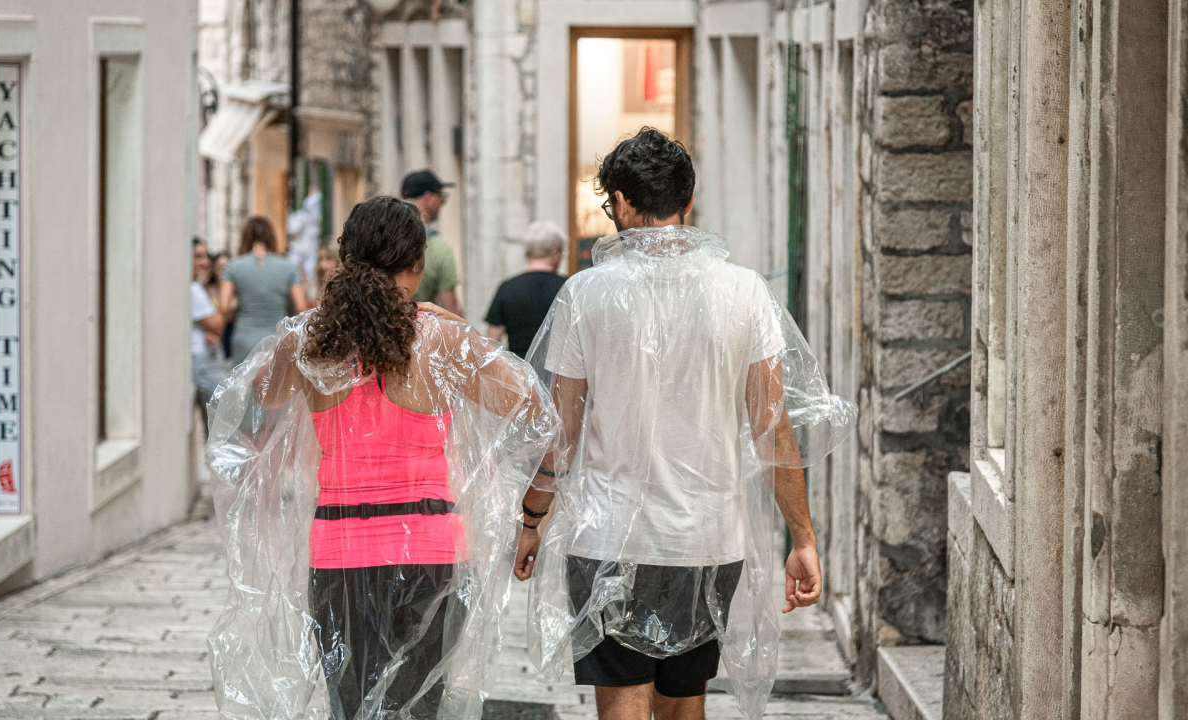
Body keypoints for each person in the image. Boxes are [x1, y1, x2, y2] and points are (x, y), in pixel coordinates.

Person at [514, 128, 855, 720]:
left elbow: (562, 434)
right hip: (706, 539)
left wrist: (531, 519)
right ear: (687, 203)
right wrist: (802, 538)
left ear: (621, 203)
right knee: (684, 705)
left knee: (621, 704)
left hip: (608, 539)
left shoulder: (585, 294)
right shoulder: (744, 291)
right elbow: (773, 429)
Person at [204, 196, 559, 720]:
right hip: (431, 553)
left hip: (338, 552)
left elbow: (261, 393)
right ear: (417, 265)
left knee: (352, 708)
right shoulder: (439, 337)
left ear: (346, 261)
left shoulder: (313, 340)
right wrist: (457, 327)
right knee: (420, 708)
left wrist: (311, 327)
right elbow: (531, 405)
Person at [218, 217, 311, 365]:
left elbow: (223, 307)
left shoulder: (233, 266)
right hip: (278, 339)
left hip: (245, 336)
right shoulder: (289, 267)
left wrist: (238, 316)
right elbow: (301, 307)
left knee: (244, 379)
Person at [484, 221, 567, 358]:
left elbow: (490, 345)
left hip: (518, 369)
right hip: (558, 368)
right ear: (554, 252)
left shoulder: (507, 288)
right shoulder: (569, 287)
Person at [402, 169, 463, 317]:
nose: (442, 203)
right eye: (440, 196)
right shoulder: (439, 247)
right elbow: (450, 309)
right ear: (427, 197)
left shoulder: (381, 236)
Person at [191, 239, 227, 432]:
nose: (205, 262)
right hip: (205, 362)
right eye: (198, 257)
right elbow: (218, 324)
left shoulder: (198, 287)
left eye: (206, 257)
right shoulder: (194, 290)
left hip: (207, 359)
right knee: (220, 428)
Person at [287, 188, 323, 288]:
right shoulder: (301, 216)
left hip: (310, 253)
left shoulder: (314, 223)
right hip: (297, 252)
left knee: (310, 277)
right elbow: (292, 230)